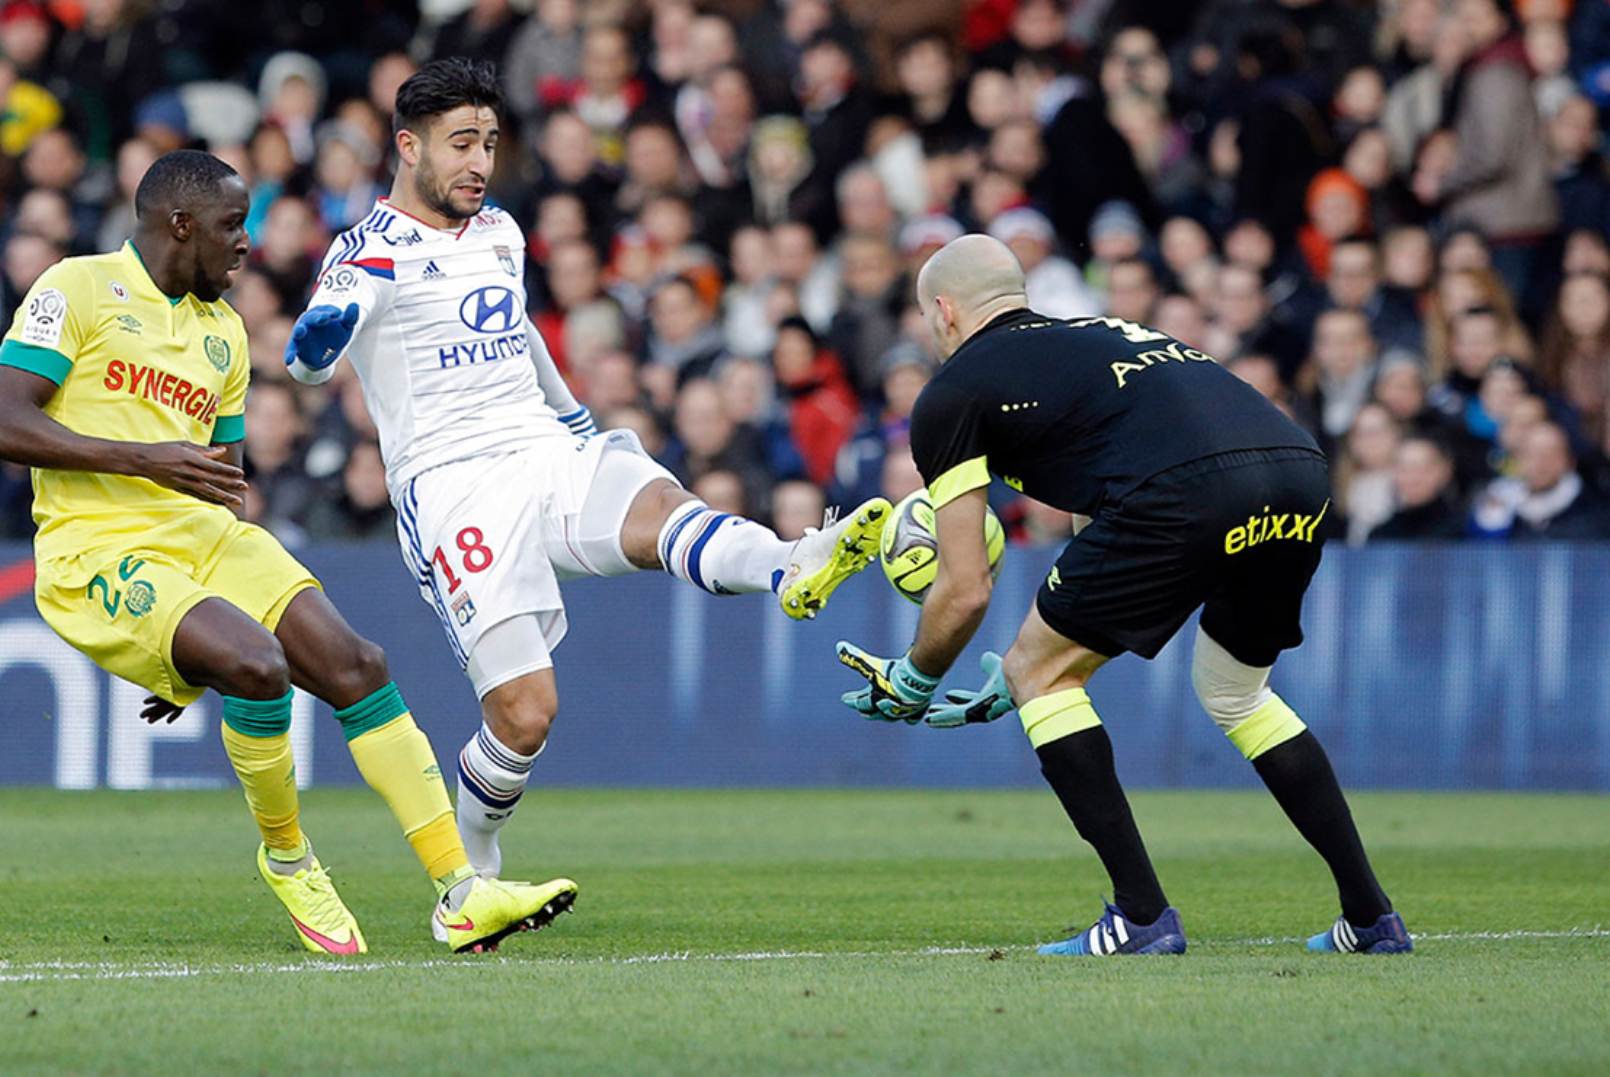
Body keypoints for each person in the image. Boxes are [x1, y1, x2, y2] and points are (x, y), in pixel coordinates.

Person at [284, 60, 891, 923]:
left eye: (489, 143)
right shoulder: (365, 252)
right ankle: (474, 876)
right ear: (408, 145)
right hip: (453, 487)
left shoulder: (498, 230)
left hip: (540, 443)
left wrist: (572, 420)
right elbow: (308, 365)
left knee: (658, 512)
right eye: (461, 144)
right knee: (526, 714)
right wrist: (318, 339)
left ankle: (795, 564)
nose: (479, 163)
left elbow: (518, 330)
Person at [0, 149, 570, 957]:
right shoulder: (77, 288)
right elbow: (0, 425)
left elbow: (223, 482)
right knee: (258, 666)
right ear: (180, 225)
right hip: (96, 550)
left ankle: (462, 892)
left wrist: (192, 644)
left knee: (358, 664)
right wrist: (145, 460)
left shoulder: (222, 335)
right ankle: (289, 858)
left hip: (205, 541)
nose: (245, 242)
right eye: (231, 224)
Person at [835, 234, 1410, 956]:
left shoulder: (952, 392)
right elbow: (1101, 527)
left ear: (944, 313)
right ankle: (1371, 918)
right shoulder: (1102, 335)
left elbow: (964, 588)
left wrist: (918, 677)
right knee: (1235, 693)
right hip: (1298, 473)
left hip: (1188, 492)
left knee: (1039, 674)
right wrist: (1033, 658)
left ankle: (1141, 917)